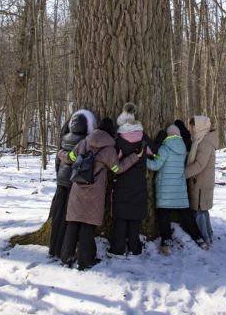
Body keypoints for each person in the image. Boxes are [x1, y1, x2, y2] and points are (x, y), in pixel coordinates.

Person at [60, 117, 142, 270]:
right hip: (94, 191)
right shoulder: (109, 148)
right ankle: (85, 260)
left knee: (73, 222)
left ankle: (66, 257)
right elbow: (117, 169)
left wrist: (61, 154)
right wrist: (134, 157)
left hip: (78, 187)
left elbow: (71, 157)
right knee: (87, 224)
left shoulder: (85, 141)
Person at [147, 124, 208, 255]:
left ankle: (166, 242)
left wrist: (144, 160)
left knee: (164, 216)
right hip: (179, 189)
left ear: (168, 135)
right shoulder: (183, 149)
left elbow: (155, 165)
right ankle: (199, 238)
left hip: (165, 189)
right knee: (187, 215)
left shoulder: (164, 148)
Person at [108, 102, 150, 257]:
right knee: (135, 218)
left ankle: (117, 248)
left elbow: (115, 162)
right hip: (139, 182)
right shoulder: (143, 138)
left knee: (121, 218)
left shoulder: (118, 140)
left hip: (122, 182)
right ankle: (134, 248)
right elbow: (153, 152)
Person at [48, 110, 91, 259]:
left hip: (61, 180)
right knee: (69, 216)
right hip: (75, 182)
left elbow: (58, 160)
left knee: (58, 215)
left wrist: (58, 174)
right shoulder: (86, 140)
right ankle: (64, 250)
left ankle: (53, 248)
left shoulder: (64, 138)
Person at [185, 115, 218, 245]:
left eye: (193, 126)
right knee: (202, 210)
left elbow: (199, 165)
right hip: (201, 182)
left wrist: (182, 174)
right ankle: (208, 234)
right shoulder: (201, 140)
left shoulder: (204, 143)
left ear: (200, 127)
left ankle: (204, 237)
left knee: (199, 211)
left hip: (201, 183)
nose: (191, 129)